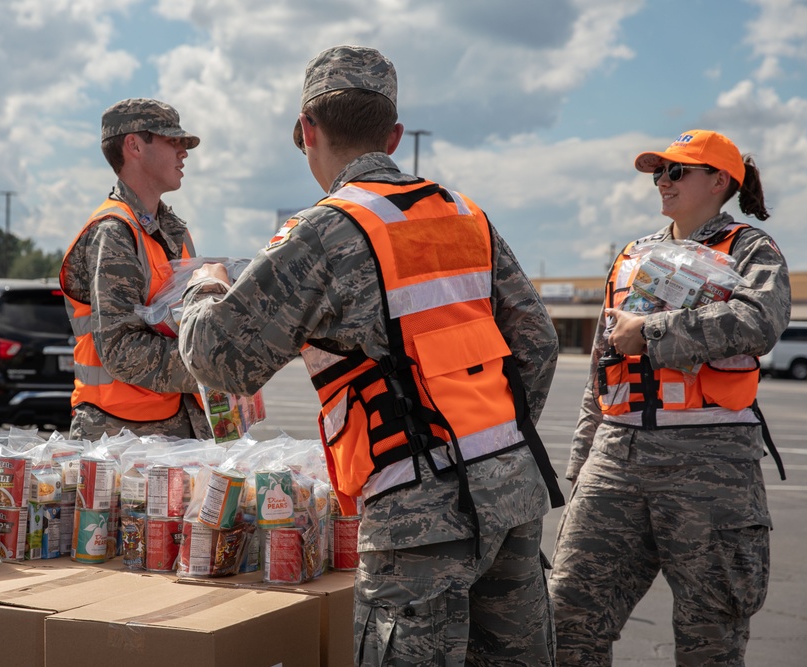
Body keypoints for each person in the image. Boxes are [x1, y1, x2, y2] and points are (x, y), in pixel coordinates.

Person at [177, 45, 565, 666]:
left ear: (307, 130)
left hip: (417, 517)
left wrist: (204, 287)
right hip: (513, 495)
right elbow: (538, 344)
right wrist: (487, 441)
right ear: (393, 134)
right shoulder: (465, 214)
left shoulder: (327, 231)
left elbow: (220, 359)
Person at [548, 129, 790, 666]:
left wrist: (655, 330)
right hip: (617, 458)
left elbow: (761, 320)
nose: (662, 182)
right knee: (568, 619)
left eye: (675, 171)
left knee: (711, 637)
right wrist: (583, 464)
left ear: (718, 180)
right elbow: (600, 371)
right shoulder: (635, 255)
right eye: (658, 172)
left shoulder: (750, 249)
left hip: (711, 465)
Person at [59, 98, 211, 442]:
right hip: (118, 440)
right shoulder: (114, 231)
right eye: (172, 140)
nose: (183, 151)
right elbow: (121, 351)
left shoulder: (174, 230)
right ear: (134, 145)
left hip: (175, 434)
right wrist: (210, 365)